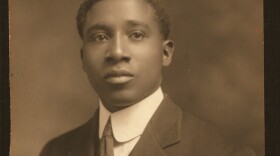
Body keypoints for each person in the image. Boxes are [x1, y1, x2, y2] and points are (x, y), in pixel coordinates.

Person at [40, 0, 256, 155]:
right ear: (83, 58)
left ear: (165, 53)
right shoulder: (55, 151)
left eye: (136, 35)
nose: (116, 52)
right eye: (100, 36)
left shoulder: (225, 152)